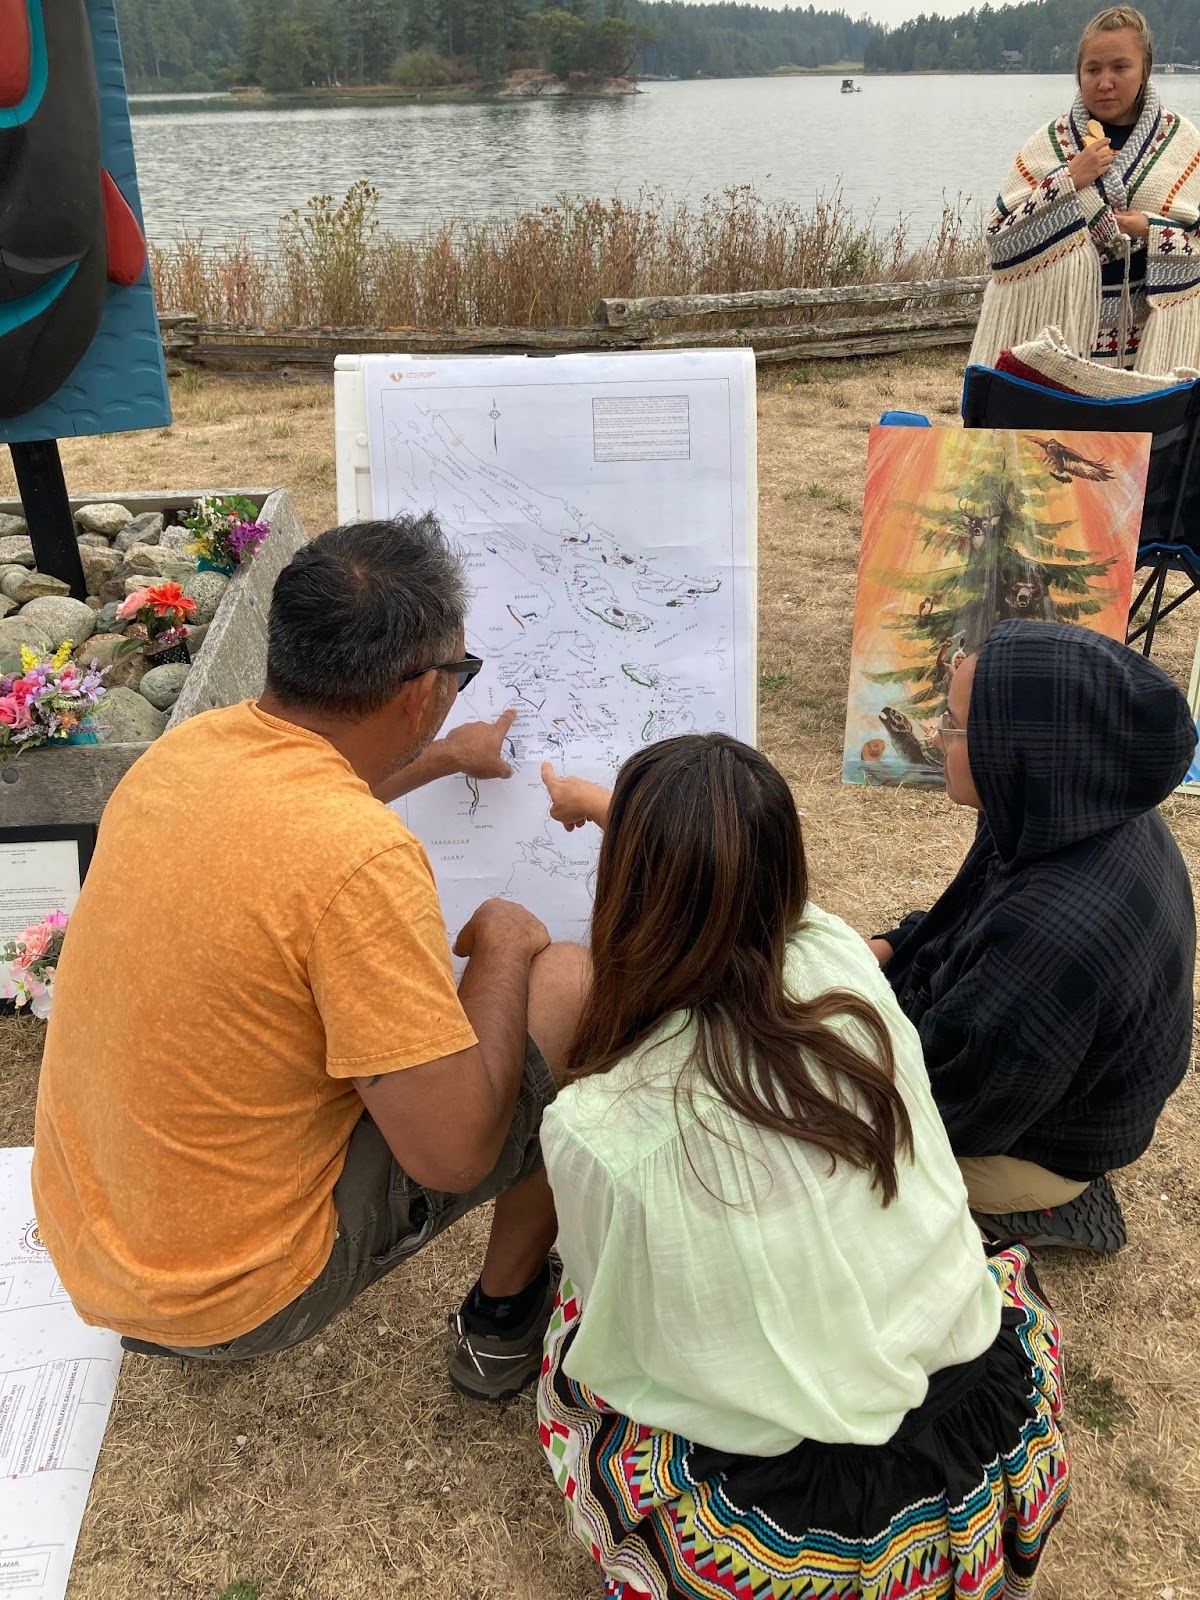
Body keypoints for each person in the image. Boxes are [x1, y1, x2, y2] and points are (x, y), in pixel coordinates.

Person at [32, 516, 588, 1399]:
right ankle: (502, 1324)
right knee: (571, 984)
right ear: (420, 691)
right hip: (234, 1301)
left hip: (93, 1257)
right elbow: (452, 1156)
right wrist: (510, 951)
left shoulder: (185, 752)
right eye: (460, 676)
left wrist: (442, 757)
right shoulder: (359, 859)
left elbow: (302, 798)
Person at [535, 736, 1070, 1600]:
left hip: (801, 1536)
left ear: (622, 890)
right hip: (984, 1443)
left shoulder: (600, 1130)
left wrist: (626, 823)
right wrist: (609, 808)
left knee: (572, 1335)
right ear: (785, 870)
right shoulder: (841, 961)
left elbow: (628, 1335)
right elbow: (745, 892)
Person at [870, 621, 1195, 1253]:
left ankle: (1032, 1204)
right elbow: (958, 917)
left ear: (1017, 744)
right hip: (1058, 1079)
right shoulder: (1060, 806)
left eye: (957, 723)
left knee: (823, 1140)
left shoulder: (1052, 934)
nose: (936, 734)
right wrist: (881, 951)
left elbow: (952, 1109)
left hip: (1049, 1139)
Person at [968, 6, 1200, 375]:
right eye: (1093, 69)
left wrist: (1149, 228)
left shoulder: (1183, 142)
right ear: (1079, 73)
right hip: (1063, 337)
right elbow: (1000, 242)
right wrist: (1068, 181)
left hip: (1155, 348)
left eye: (1120, 67)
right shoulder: (1049, 144)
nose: (1104, 82)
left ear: (1145, 70)